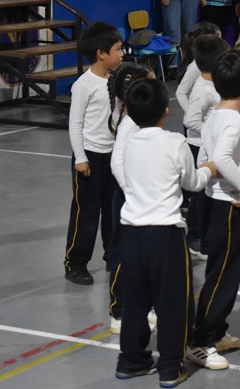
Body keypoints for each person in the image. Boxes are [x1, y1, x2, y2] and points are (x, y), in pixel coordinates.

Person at [113, 79, 218, 388]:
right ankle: (170, 367)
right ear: (166, 111)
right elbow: (193, 182)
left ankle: (131, 360)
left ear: (129, 112)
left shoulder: (129, 143)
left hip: (131, 233)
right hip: (165, 235)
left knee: (135, 301)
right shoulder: (175, 142)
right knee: (172, 302)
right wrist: (210, 168)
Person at [188, 50, 240, 371]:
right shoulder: (234, 122)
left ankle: (215, 332)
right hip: (228, 205)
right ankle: (201, 341)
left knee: (220, 270)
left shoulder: (214, 116)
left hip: (213, 201)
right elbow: (223, 159)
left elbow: (205, 157)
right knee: (224, 275)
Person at [65, 22, 123, 286]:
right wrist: (80, 157)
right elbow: (75, 123)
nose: (121, 54)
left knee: (113, 210)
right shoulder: (83, 85)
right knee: (86, 213)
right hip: (89, 157)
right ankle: (75, 263)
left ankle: (113, 256)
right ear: (101, 53)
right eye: (117, 49)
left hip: (112, 156)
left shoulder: (116, 80)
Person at [107, 64, 157, 335]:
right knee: (123, 255)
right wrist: (131, 191)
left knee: (142, 255)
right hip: (128, 197)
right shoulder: (129, 123)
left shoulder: (143, 120)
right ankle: (119, 311)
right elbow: (117, 162)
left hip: (141, 196)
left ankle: (143, 305)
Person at [182, 36, 230, 259]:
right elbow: (190, 120)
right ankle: (196, 239)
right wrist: (213, 131)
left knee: (206, 196)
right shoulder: (202, 90)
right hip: (198, 147)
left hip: (210, 146)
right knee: (201, 197)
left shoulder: (214, 85)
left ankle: (201, 236)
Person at [175, 22, 222, 117]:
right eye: (219, 40)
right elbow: (180, 92)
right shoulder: (196, 66)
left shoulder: (213, 63)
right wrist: (192, 114)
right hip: (198, 122)